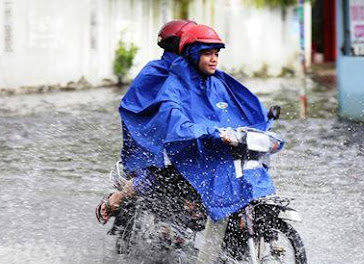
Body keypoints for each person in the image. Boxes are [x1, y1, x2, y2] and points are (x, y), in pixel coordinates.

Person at [117, 24, 276, 221]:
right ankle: (116, 200)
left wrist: (258, 126)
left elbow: (231, 110)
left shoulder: (214, 80)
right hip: (170, 144)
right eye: (206, 53)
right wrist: (196, 130)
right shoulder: (166, 79)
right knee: (152, 178)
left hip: (205, 143)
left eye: (216, 53)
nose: (213, 59)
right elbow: (165, 115)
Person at [96, 20, 197, 224]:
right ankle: (116, 199)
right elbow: (137, 111)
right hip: (151, 148)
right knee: (149, 180)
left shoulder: (198, 75)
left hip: (186, 144)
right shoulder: (155, 72)